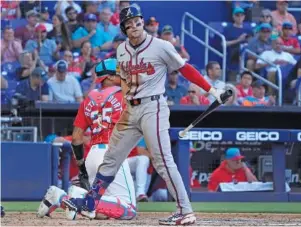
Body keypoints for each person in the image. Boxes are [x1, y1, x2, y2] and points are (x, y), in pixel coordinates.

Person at [63, 4, 231, 226]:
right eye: (129, 24)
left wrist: (211, 90)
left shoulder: (161, 46)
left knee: (162, 160)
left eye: (137, 22)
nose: (135, 26)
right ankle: (91, 203)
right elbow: (124, 80)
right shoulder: (122, 50)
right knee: (111, 157)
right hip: (130, 108)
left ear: (142, 23)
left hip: (154, 107)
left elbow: (185, 69)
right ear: (124, 29)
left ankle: (185, 210)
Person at [37, 58, 137, 220]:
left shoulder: (88, 99)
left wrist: (82, 167)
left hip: (93, 154)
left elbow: (76, 138)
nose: (123, 77)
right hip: (112, 153)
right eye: (119, 74)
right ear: (109, 77)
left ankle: (59, 197)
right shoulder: (123, 94)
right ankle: (71, 199)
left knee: (98, 212)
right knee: (129, 210)